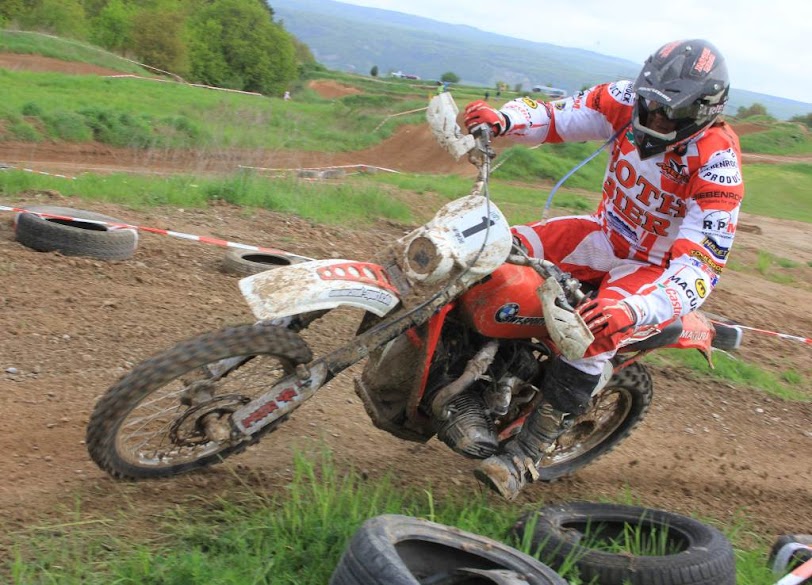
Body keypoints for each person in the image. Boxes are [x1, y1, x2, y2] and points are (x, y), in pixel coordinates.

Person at [462, 39, 743, 500]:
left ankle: (524, 456)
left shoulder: (717, 163)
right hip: (604, 234)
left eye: (668, 113)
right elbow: (557, 116)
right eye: (650, 103)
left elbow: (699, 267)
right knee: (490, 247)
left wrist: (632, 311)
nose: (654, 117)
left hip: (651, 267)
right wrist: (505, 119)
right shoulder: (626, 99)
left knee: (592, 332)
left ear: (702, 112)